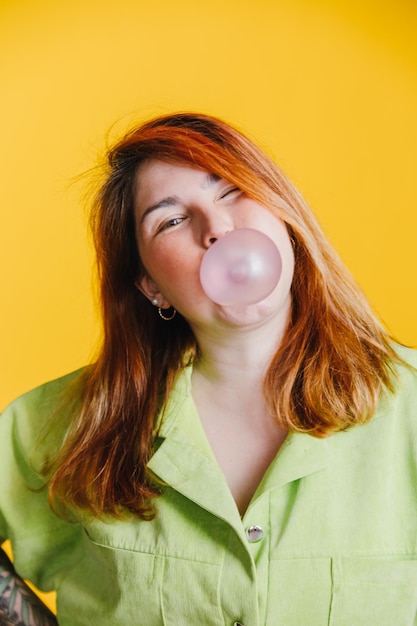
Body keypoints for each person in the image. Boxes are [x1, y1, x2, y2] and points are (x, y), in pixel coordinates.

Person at [1, 112, 416, 626]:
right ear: (150, 284)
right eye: (171, 220)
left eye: (232, 190)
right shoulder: (56, 426)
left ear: (281, 213)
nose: (218, 228)